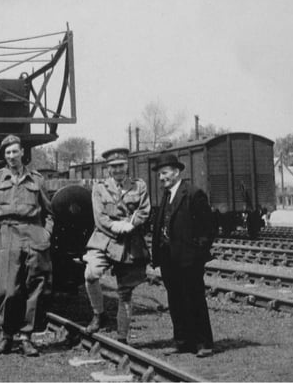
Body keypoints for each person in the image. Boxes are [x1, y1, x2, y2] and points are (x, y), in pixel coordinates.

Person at [0, 134, 54, 357]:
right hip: (7, 234)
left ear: (23, 152)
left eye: (15, 151)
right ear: (4, 156)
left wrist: (45, 234)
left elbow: (50, 213)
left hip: (34, 234)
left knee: (34, 286)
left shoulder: (37, 180)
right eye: (7, 153)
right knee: (7, 289)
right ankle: (6, 336)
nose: (11, 156)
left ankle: (26, 337)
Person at [82, 147, 150, 344]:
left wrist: (130, 224)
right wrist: (115, 226)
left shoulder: (139, 186)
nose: (118, 170)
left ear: (127, 166)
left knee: (125, 291)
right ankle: (99, 314)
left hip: (130, 243)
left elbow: (144, 211)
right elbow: (99, 217)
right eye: (113, 167)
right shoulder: (99, 188)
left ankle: (122, 336)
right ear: (107, 169)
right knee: (91, 274)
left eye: (121, 165)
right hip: (104, 239)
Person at [150, 153, 214, 358]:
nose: (161, 177)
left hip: (189, 259)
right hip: (169, 258)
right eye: (160, 174)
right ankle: (183, 341)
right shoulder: (167, 195)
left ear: (177, 173)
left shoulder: (194, 194)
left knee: (194, 298)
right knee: (176, 300)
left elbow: (208, 229)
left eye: (165, 173)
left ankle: (203, 343)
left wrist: (197, 252)